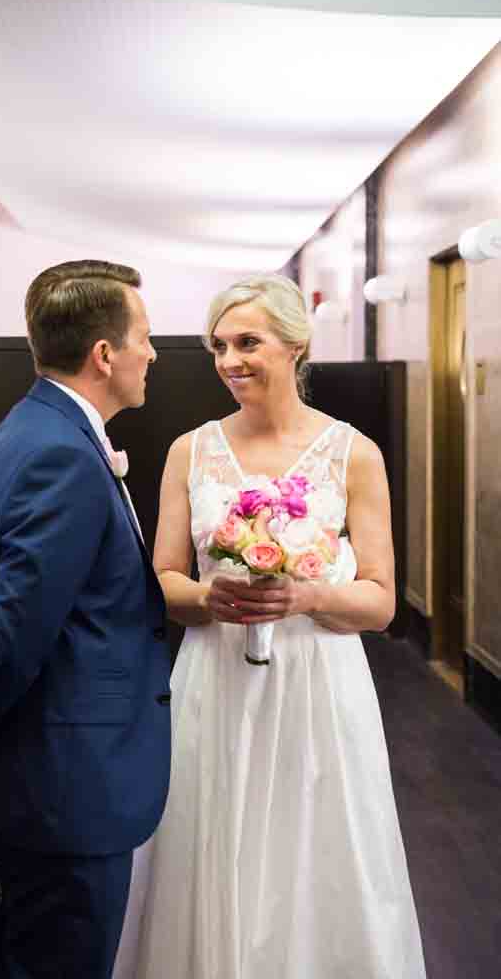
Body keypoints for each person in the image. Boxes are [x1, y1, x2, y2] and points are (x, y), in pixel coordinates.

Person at [134, 275, 427, 978]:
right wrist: (209, 599)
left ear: (295, 346)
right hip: (215, 678)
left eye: (247, 343)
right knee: (213, 841)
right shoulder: (190, 451)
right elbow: (163, 581)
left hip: (317, 685)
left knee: (317, 848)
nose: (229, 359)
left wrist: (301, 596)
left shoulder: (351, 453)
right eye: (218, 346)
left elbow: (380, 602)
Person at [0, 260, 171, 979]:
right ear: (104, 354)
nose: (153, 353)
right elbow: (17, 627)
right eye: (143, 338)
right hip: (68, 776)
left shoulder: (27, 431)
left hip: (45, 763)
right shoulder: (61, 454)